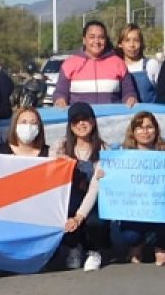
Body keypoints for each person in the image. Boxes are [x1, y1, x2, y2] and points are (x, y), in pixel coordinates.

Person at [116, 112, 165, 266]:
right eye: (139, 127)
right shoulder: (121, 155)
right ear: (133, 131)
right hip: (135, 211)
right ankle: (137, 245)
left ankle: (161, 248)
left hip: (162, 211)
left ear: (156, 130)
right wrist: (104, 175)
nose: (145, 131)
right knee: (129, 236)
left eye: (149, 127)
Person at [53, 103, 109, 271]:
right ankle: (73, 247)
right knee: (59, 214)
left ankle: (93, 251)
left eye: (86, 119)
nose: (81, 124)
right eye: (76, 121)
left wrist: (79, 217)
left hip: (92, 202)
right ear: (70, 125)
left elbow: (94, 188)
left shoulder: (104, 149)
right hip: (68, 199)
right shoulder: (59, 147)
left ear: (93, 122)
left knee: (95, 221)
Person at [52, 21, 137, 108]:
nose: (96, 41)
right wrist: (60, 99)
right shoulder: (69, 64)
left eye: (101, 37)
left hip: (112, 119)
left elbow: (129, 91)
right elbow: (60, 92)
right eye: (92, 37)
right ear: (84, 40)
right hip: (81, 119)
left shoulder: (118, 63)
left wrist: (130, 98)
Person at [116, 24, 160, 104]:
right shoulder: (116, 67)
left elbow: (161, 93)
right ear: (120, 44)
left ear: (141, 43)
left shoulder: (151, 65)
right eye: (127, 40)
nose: (132, 45)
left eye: (136, 40)